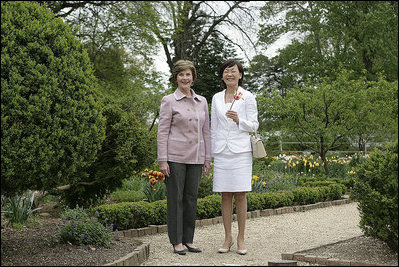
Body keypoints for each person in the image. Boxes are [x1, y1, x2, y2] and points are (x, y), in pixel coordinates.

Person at [157, 59, 211, 255]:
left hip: (196, 158)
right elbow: (162, 132)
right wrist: (163, 159)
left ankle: (188, 239)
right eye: (181, 75)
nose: (185, 78)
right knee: (176, 199)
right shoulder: (169, 100)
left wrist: (207, 158)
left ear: (193, 77)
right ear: (176, 78)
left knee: (191, 198)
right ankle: (176, 241)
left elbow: (206, 131)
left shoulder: (202, 101)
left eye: (188, 74)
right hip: (175, 158)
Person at [210, 59, 259, 255]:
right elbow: (214, 128)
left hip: (240, 151)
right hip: (222, 151)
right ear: (222, 76)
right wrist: (212, 153)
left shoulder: (247, 97)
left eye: (233, 71)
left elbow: (254, 125)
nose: (229, 74)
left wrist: (239, 120)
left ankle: (241, 238)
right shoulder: (215, 98)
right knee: (225, 194)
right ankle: (227, 237)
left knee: (240, 194)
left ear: (240, 75)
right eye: (226, 71)